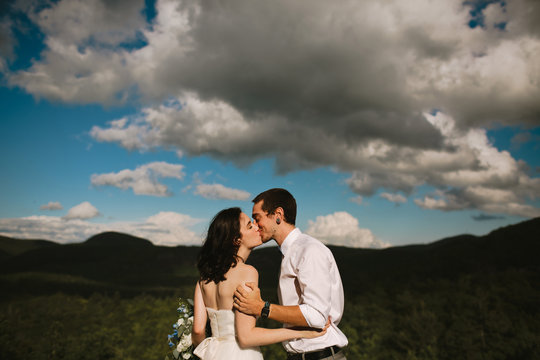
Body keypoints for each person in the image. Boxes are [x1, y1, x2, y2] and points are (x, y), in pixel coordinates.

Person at [192, 207, 329, 360]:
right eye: (250, 226)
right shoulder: (247, 272)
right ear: (236, 239)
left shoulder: (204, 278)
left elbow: (197, 331)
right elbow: (246, 337)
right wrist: (301, 332)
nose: (257, 227)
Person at [233, 188, 348, 360]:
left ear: (278, 214)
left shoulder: (309, 250)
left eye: (257, 218)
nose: (256, 226)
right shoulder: (291, 252)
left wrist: (262, 308)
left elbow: (317, 315)